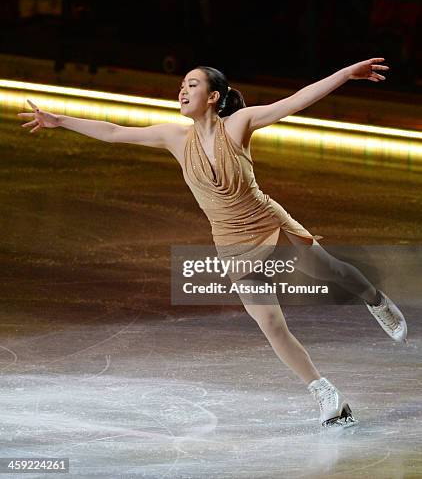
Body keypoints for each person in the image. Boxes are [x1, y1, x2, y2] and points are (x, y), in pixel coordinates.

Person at [17, 58, 408, 428]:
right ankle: (325, 393)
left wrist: (345, 74)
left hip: (266, 221)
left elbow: (296, 100)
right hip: (230, 240)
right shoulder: (173, 137)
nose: (182, 91)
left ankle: (375, 300)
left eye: (191, 84)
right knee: (270, 322)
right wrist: (60, 120)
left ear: (214, 96)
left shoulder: (239, 124)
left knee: (330, 270)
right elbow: (114, 132)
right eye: (181, 86)